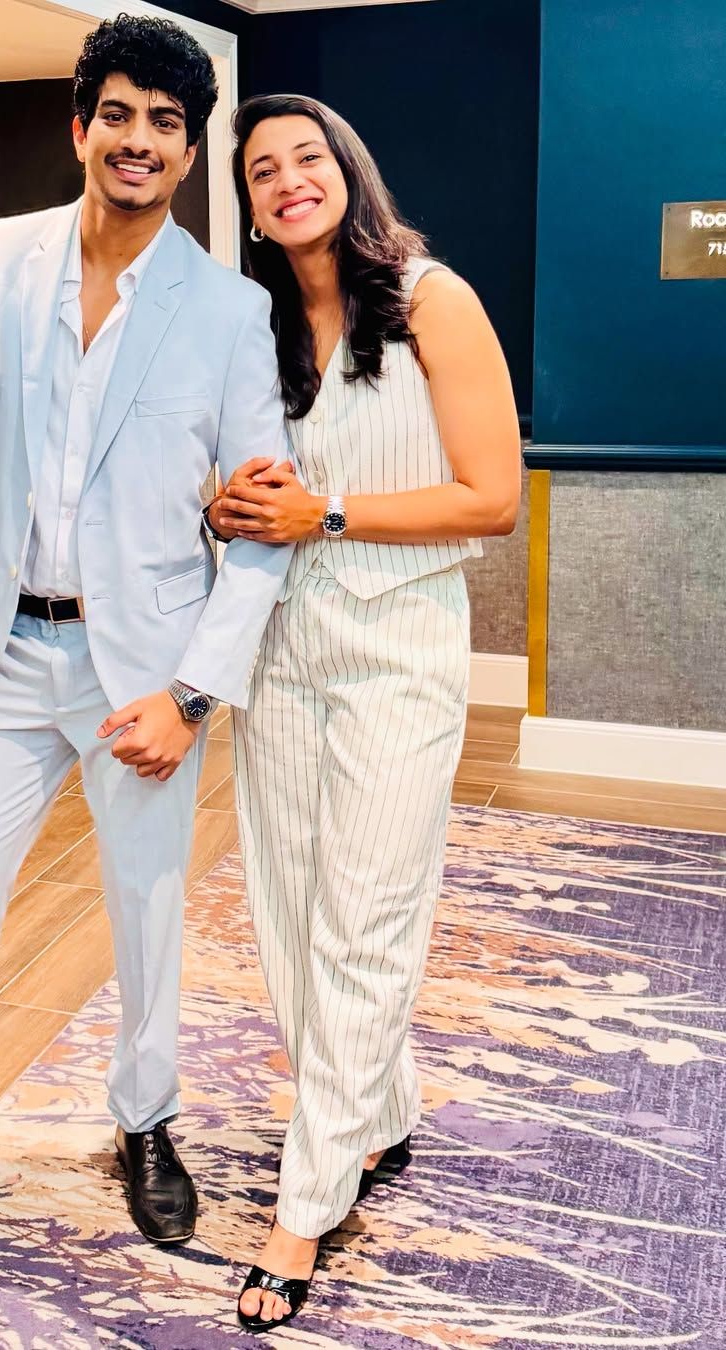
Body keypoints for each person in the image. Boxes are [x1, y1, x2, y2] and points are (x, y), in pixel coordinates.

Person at [0, 19, 293, 1246]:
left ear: (188, 151)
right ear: (80, 126)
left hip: (145, 671)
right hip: (4, 655)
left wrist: (195, 695)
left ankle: (147, 1119)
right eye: (119, 114)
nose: (139, 140)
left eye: (166, 124)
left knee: (146, 900)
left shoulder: (229, 311)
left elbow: (262, 531)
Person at [208, 94, 521, 1331]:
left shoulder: (433, 300)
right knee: (290, 914)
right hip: (282, 652)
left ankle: (306, 1204)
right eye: (262, 170)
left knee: (366, 918)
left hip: (398, 651)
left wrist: (325, 514)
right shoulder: (256, 327)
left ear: (347, 171)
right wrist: (228, 504)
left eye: (308, 157)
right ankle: (375, 1113)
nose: (289, 179)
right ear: (249, 204)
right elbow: (245, 489)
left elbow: (491, 497)